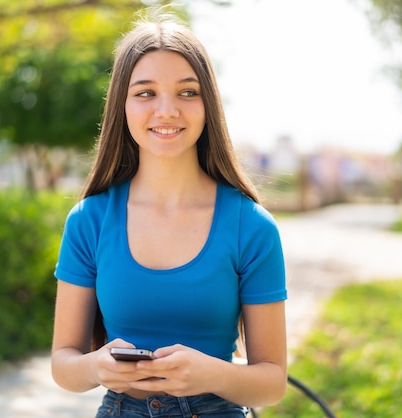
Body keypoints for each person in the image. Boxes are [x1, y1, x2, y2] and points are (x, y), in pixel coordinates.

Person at [51, 11, 288, 418]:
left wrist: (209, 374)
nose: (167, 110)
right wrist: (97, 366)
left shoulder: (251, 227)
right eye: (145, 93)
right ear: (121, 106)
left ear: (207, 104)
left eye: (187, 92)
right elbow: (63, 364)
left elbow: (272, 381)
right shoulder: (88, 221)